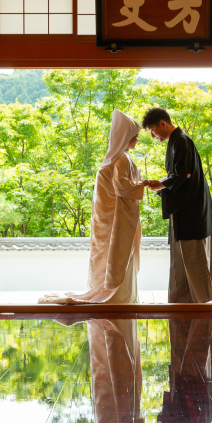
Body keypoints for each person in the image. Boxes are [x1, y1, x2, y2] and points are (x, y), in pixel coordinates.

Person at [39, 110, 145, 304]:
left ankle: (120, 295)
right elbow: (123, 187)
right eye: (135, 136)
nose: (137, 140)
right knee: (117, 258)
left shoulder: (119, 159)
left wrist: (140, 184)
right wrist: (144, 184)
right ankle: (120, 297)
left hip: (109, 219)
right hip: (116, 220)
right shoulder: (121, 159)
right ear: (125, 136)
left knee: (111, 259)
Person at [142, 107, 212, 303]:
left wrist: (160, 184)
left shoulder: (181, 140)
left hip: (191, 213)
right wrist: (161, 185)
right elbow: (179, 176)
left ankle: (202, 306)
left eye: (153, 131)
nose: (153, 136)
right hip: (185, 210)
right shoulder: (176, 141)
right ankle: (185, 304)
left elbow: (183, 175)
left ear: (162, 123)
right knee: (182, 261)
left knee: (194, 259)